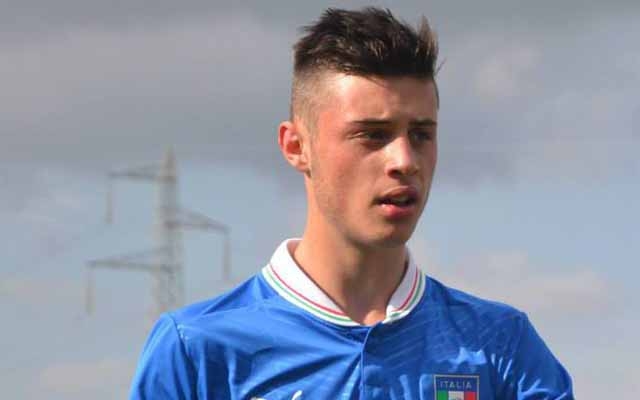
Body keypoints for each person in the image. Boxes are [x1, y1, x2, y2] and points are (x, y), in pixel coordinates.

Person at [130, 7, 574, 399]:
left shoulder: (500, 347)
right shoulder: (197, 350)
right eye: (372, 135)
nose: (404, 160)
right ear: (296, 146)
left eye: (421, 134)